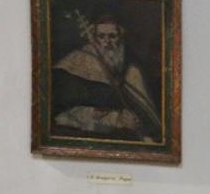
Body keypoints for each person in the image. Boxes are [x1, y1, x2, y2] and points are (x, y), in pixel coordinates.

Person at [51, 13, 162, 142]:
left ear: (120, 37)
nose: (107, 42)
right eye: (101, 36)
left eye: (112, 36)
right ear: (94, 37)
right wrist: (112, 118)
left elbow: (146, 114)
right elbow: (60, 112)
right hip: (90, 136)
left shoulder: (132, 70)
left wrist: (136, 120)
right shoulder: (74, 64)